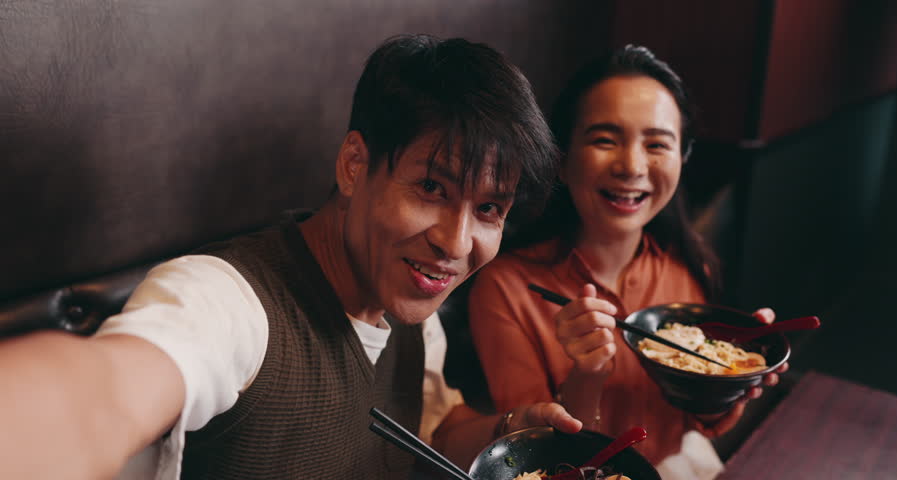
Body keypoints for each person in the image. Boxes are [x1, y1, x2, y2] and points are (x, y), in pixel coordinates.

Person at [0, 34, 583, 479]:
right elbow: (105, 392)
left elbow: (430, 423)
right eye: (432, 188)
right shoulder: (226, 302)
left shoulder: (411, 309)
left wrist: (508, 429)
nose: (456, 244)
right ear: (355, 165)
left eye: (489, 209)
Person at [468, 45, 788, 480]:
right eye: (605, 140)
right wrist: (587, 373)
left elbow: (698, 423)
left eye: (657, 144)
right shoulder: (506, 288)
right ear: (561, 160)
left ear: (682, 159)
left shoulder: (691, 268)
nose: (632, 166)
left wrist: (732, 377)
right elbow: (532, 457)